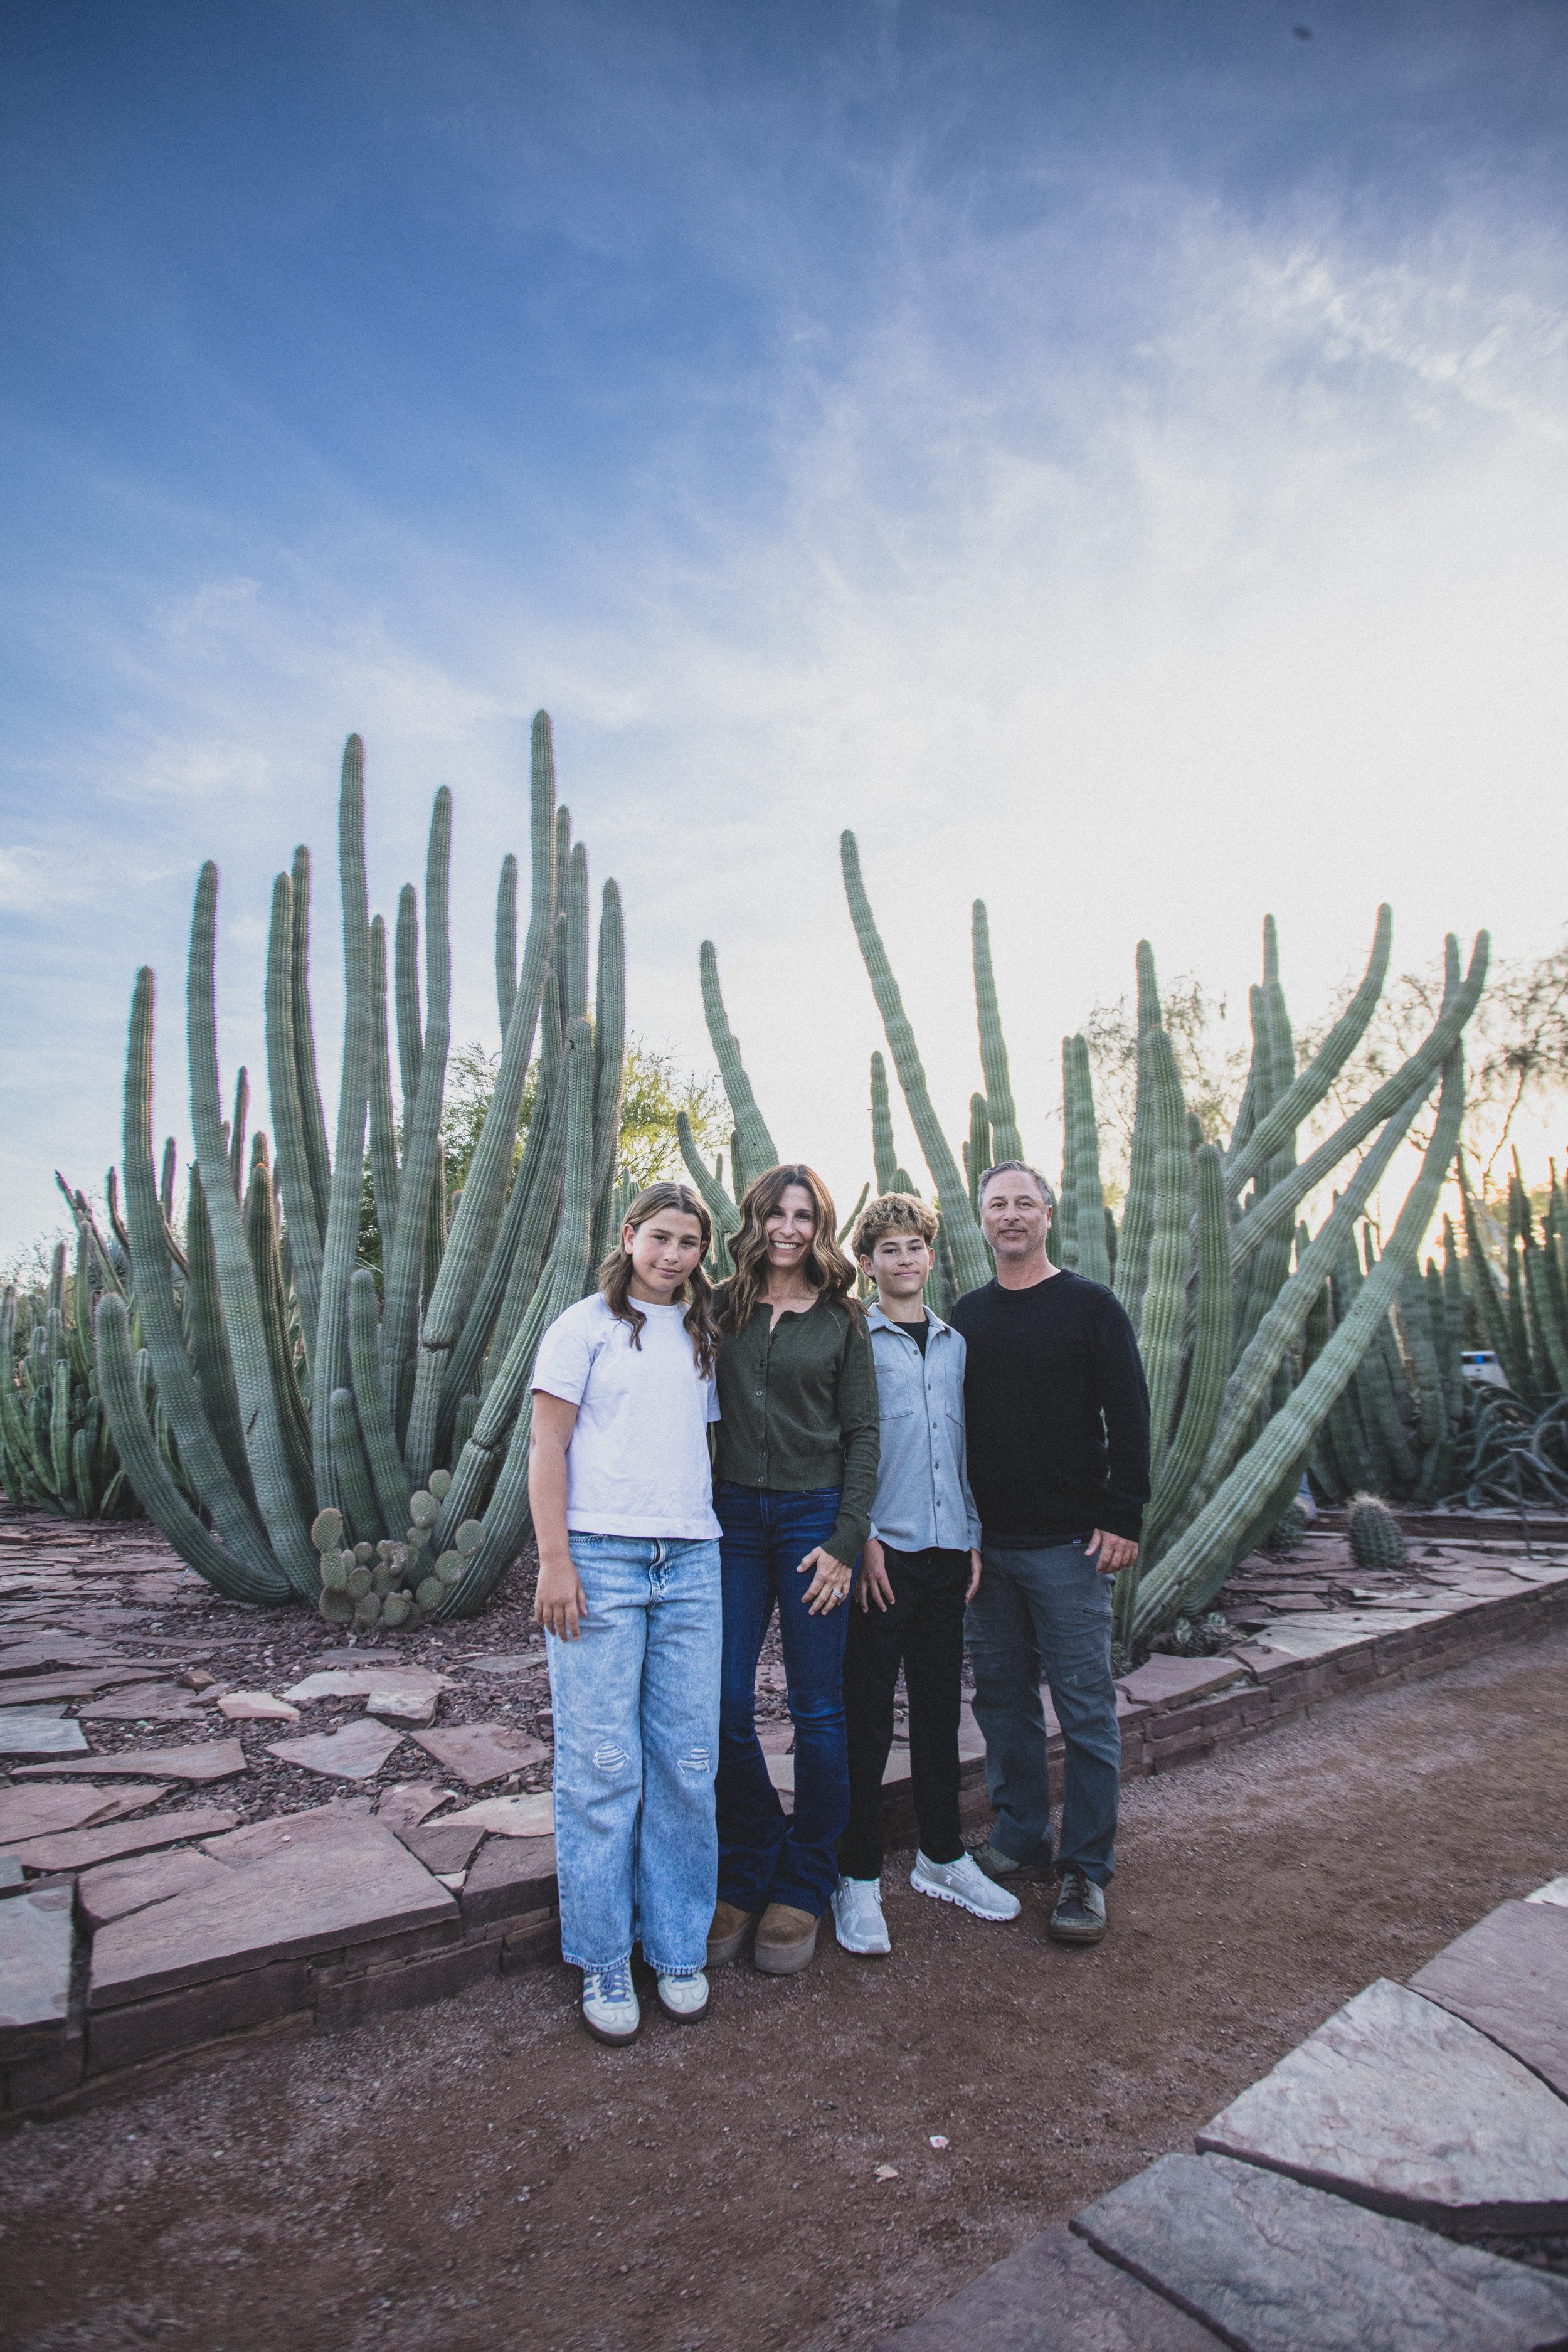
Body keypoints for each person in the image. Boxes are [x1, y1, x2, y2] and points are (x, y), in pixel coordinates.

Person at [529, 1182, 723, 2046]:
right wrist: (555, 1560)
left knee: (686, 1759)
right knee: (603, 1763)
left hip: (691, 1560)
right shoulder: (583, 1327)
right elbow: (548, 1445)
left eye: (688, 1241)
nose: (673, 1254)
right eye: (660, 1237)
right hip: (599, 1560)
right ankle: (605, 1956)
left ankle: (678, 1945)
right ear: (629, 1235)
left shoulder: (704, 1333)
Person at [950, 1162, 1151, 1946]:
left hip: (1069, 1546)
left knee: (1085, 1711)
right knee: (1001, 1703)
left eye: (1023, 1203)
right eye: (996, 1205)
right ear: (982, 1220)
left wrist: (1123, 1514)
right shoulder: (967, 1315)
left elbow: (1128, 1415)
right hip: (988, 1551)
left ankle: (1085, 1870)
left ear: (1047, 1215)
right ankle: (1019, 1837)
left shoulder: (1090, 1307)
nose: (1010, 1216)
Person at [832, 1194, 1020, 1957]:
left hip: (948, 1552)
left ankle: (942, 1857)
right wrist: (863, 1536)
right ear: (867, 1263)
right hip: (883, 1554)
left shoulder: (953, 1343)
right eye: (887, 1250)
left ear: (930, 1257)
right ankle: (857, 1875)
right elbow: (840, 1441)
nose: (903, 1260)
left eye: (914, 1247)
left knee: (941, 1709)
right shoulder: (853, 1337)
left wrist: (971, 1535)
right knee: (868, 1714)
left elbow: (961, 1448)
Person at [708, 1163, 879, 1978]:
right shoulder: (720, 1307)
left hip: (814, 1522)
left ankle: (807, 1877)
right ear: (754, 1220)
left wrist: (847, 1539)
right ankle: (749, 1862)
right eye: (774, 1212)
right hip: (734, 1521)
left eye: (803, 1214)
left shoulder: (845, 1318)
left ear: (821, 1225)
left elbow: (865, 1435)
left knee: (817, 1708)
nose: (787, 1227)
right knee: (722, 1704)